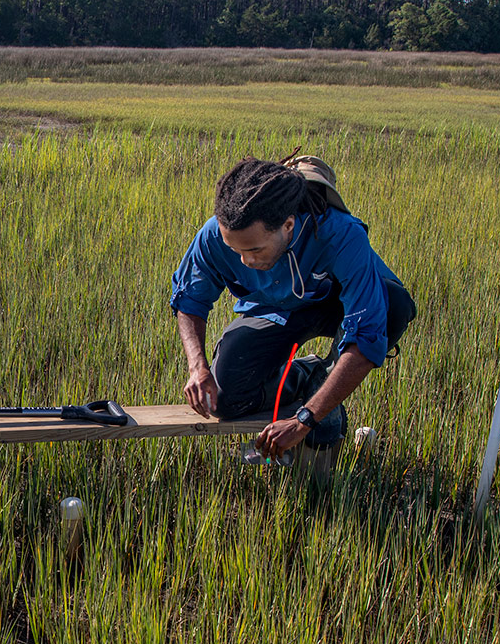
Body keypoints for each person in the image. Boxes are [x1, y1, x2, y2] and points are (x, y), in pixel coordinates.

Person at [169, 155, 416, 461]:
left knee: (394, 305)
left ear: (288, 225)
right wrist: (198, 367)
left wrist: (305, 419)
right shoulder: (213, 235)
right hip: (273, 309)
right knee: (224, 400)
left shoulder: (340, 234)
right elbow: (189, 299)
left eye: (255, 249)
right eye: (235, 250)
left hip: (335, 308)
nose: (245, 261)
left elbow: (367, 335)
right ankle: (306, 374)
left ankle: (325, 379)